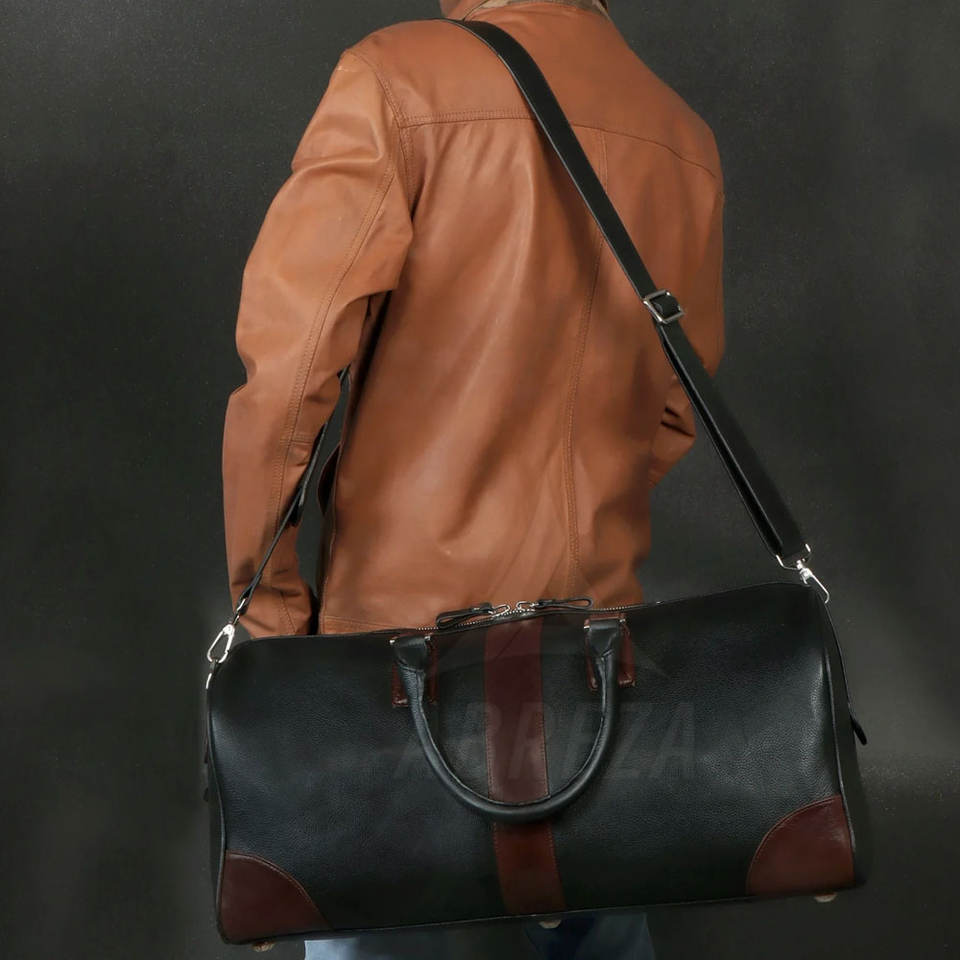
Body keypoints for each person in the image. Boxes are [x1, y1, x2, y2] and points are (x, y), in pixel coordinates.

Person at [221, 0, 725, 956]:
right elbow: (673, 410)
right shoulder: (680, 135)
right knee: (596, 912)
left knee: (367, 918)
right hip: (592, 642)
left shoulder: (395, 80)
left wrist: (273, 611)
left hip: (396, 649)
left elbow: (289, 382)